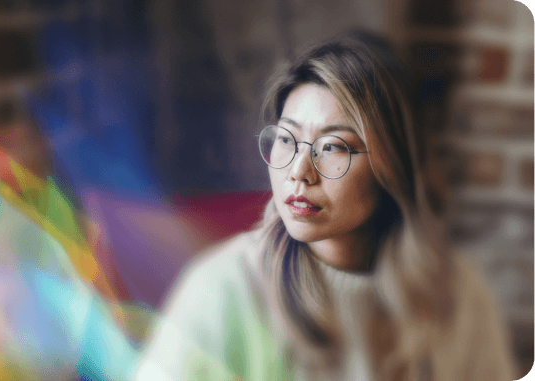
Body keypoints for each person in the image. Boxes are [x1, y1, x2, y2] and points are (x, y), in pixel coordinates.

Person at [134, 32, 516, 381]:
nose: (299, 172)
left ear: (392, 167)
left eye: (333, 146)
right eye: (287, 139)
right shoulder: (223, 289)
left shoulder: (457, 295)